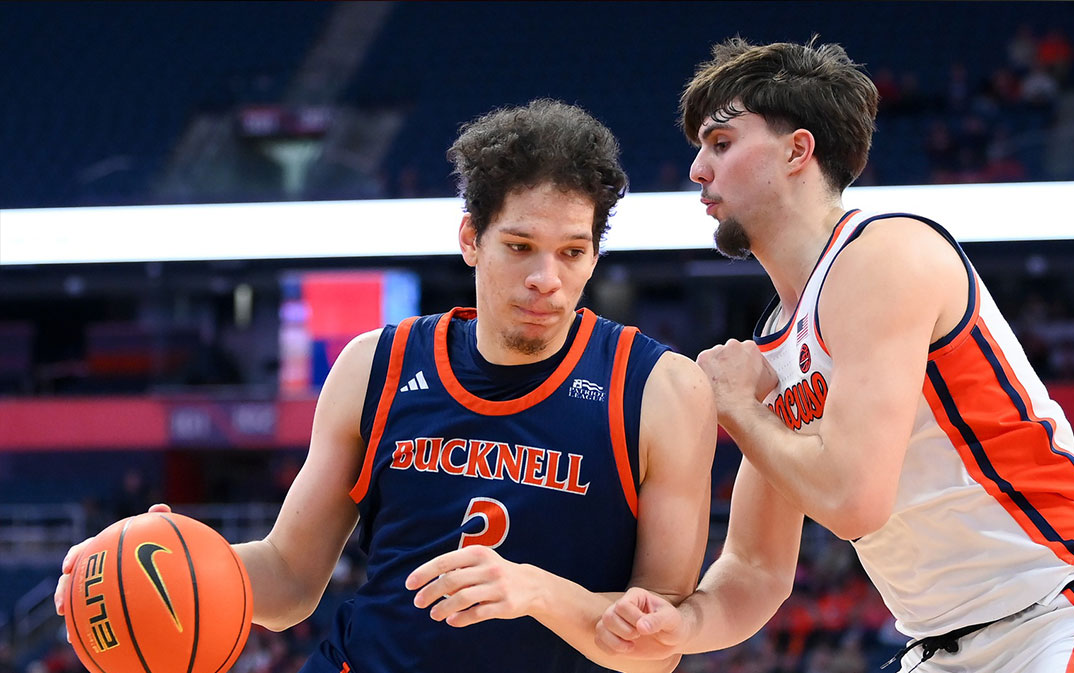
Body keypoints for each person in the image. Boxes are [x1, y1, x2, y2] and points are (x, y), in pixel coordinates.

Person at [56, 99, 717, 673]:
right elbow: (289, 577)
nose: (546, 276)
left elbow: (655, 647)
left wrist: (535, 590)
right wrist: (170, 567)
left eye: (572, 251)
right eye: (519, 246)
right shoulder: (376, 365)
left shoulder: (659, 391)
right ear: (471, 239)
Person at [595, 38, 1074, 672]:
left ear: (798, 150)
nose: (697, 171)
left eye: (722, 143)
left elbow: (852, 499)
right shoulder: (772, 342)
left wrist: (738, 405)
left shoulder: (883, 253)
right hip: (940, 647)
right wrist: (676, 625)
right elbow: (755, 570)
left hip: (1065, 608)